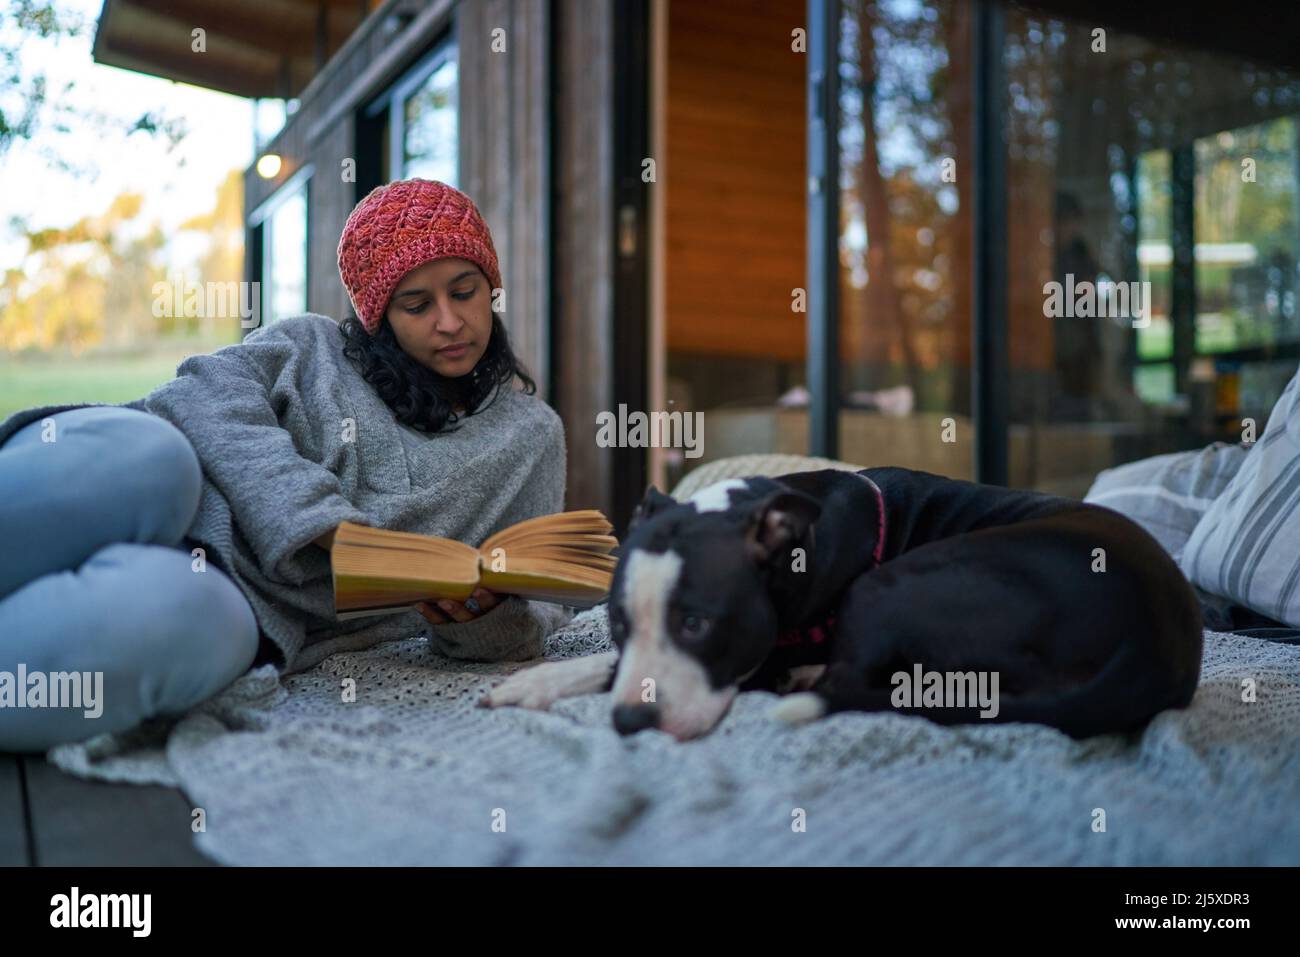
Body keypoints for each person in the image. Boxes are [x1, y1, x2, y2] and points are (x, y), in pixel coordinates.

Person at [0, 179, 571, 752]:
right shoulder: (311, 344)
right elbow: (199, 391)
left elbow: (539, 610)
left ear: (490, 288)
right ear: (380, 317)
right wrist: (321, 523)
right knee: (156, 458)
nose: (449, 322)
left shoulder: (530, 437)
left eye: (465, 292)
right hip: (164, 483)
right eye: (416, 305)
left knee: (188, 619)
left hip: (244, 598)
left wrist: (480, 621)